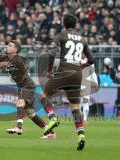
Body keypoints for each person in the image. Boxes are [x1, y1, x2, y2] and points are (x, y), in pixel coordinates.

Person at [0, 40, 55, 138]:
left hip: (27, 86)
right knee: (31, 114)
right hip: (22, 87)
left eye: (10, 45)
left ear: (15, 50)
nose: (7, 46)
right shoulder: (5, 56)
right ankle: (50, 132)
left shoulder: (16, 60)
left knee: (20, 103)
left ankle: (19, 127)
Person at [39, 13, 95, 150]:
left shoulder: (61, 35)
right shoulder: (82, 39)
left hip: (64, 71)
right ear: (75, 25)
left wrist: (49, 70)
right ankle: (81, 134)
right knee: (75, 107)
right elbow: (91, 60)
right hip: (77, 74)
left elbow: (52, 53)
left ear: (63, 23)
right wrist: (80, 66)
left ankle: (52, 117)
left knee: (43, 96)